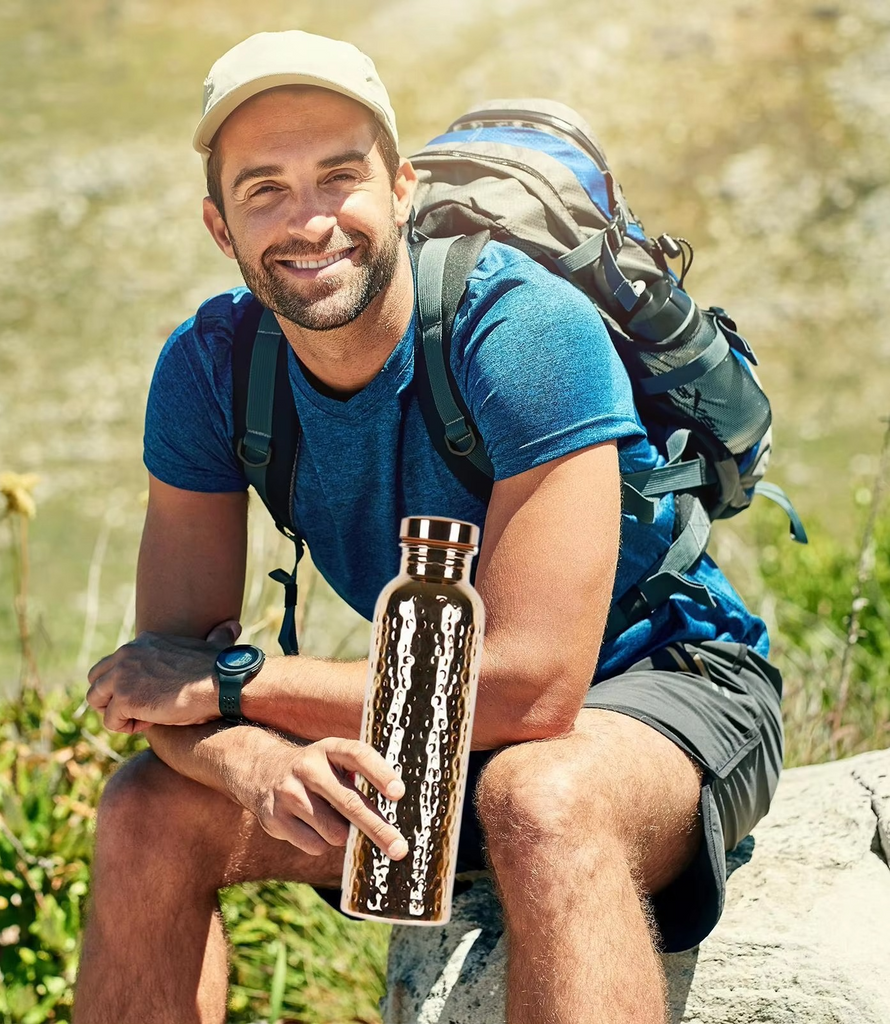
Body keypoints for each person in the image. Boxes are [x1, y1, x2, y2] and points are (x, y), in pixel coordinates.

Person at [73, 29, 784, 1024]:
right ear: (218, 226)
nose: (310, 219)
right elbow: (164, 677)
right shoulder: (209, 368)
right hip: (437, 725)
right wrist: (253, 757)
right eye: (264, 189)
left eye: (338, 174)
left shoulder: (521, 330)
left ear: (400, 187)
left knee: (542, 797)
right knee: (149, 810)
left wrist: (237, 685)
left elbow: (534, 690)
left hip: (665, 690)